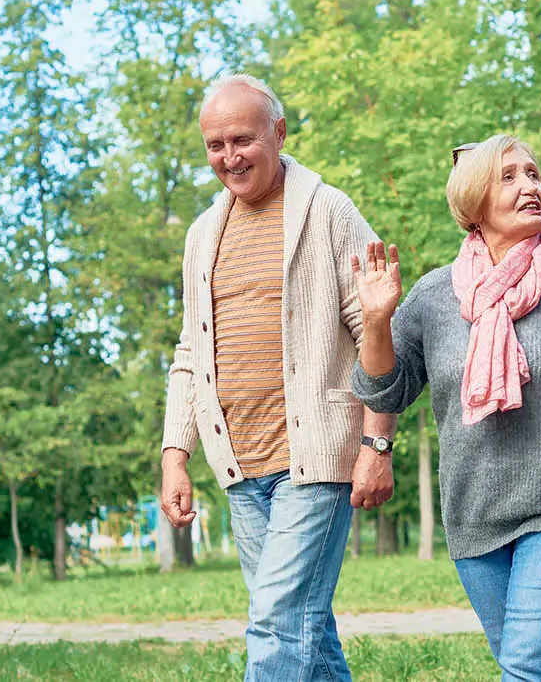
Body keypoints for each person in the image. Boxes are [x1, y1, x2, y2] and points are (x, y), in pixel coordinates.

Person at [349, 134, 541, 681]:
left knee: (528, 666)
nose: (530, 186)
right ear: (474, 203)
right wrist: (376, 321)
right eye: (509, 177)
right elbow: (384, 392)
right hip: (477, 516)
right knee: (537, 668)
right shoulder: (434, 296)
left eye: (533, 174)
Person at [159, 73, 396, 681]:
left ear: (279, 133)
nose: (229, 157)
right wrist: (174, 455)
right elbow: (191, 352)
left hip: (314, 460)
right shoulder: (202, 235)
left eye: (243, 139)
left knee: (275, 622)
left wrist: (377, 443)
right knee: (306, 634)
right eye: (215, 145)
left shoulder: (328, 211)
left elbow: (374, 329)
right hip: (241, 466)